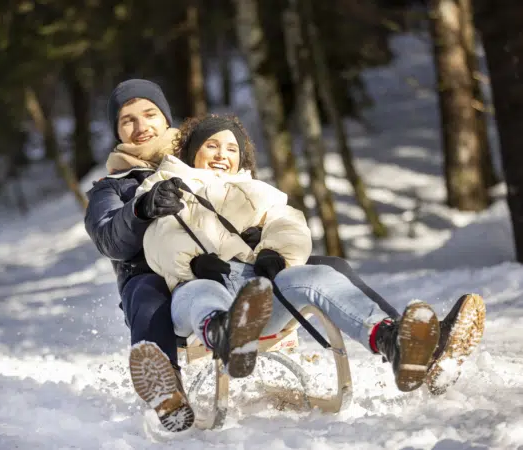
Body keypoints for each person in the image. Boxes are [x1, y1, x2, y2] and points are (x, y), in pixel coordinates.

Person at [133, 113, 486, 420]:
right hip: (193, 295)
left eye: (231, 149)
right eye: (212, 145)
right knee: (203, 292)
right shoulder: (164, 185)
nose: (222, 155)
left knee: (316, 276)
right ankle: (224, 332)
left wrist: (277, 253)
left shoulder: (257, 191)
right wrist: (193, 262)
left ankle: (393, 341)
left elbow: (288, 223)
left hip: (257, 296)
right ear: (191, 149)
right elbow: (159, 236)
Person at [84, 79, 195, 432]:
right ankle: (166, 392)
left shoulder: (202, 162)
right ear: (118, 131)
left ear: (166, 119)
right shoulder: (111, 187)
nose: (141, 125)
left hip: (213, 272)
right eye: (127, 120)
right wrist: (140, 209)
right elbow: (108, 238)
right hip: (154, 285)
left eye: (149, 113)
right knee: (146, 288)